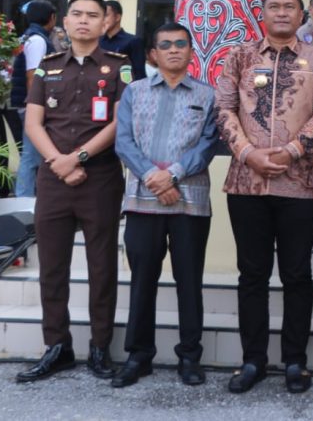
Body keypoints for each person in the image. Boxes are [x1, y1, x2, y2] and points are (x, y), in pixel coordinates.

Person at [215, 0, 313, 395]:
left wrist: (292, 149)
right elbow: (224, 109)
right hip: (246, 182)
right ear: (262, 12)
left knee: (296, 275)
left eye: (290, 7)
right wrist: (248, 152)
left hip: (299, 182)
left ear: (302, 14)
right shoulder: (240, 56)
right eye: (275, 6)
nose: (282, 13)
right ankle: (252, 359)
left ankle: (294, 361)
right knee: (252, 274)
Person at [16, 0, 132, 383]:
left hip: (99, 177)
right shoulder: (48, 67)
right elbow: (32, 123)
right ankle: (57, 347)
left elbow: (120, 123)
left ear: (106, 22)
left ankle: (100, 348)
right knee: (52, 266)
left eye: (92, 15)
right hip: (53, 179)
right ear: (64, 21)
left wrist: (78, 159)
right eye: (76, 14)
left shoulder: (120, 67)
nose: (83, 21)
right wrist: (58, 163)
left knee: (102, 267)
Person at [111, 22, 218, 388]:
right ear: (153, 54)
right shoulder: (134, 92)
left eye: (181, 44)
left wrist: (171, 176)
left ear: (191, 52)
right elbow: (124, 142)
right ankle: (138, 356)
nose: (174, 49)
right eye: (165, 45)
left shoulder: (208, 96)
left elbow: (206, 147)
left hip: (190, 203)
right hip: (143, 201)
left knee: (190, 281)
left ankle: (189, 356)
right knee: (142, 280)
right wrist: (153, 179)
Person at [9, 0, 56, 197]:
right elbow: (33, 77)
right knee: (30, 156)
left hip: (26, 103)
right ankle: (24, 199)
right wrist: (36, 108)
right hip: (31, 105)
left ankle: (29, 196)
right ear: (51, 18)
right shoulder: (37, 40)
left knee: (33, 155)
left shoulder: (28, 37)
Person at [100, 0, 147, 80]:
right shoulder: (97, 41)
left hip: (124, 89)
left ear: (117, 17)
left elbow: (139, 74)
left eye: (106, 15)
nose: (102, 19)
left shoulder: (133, 41)